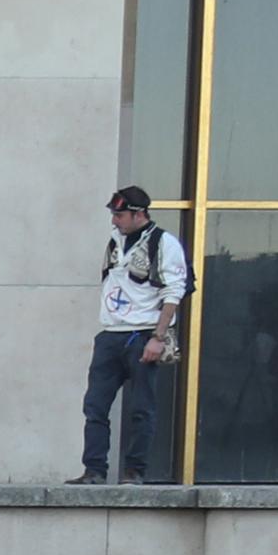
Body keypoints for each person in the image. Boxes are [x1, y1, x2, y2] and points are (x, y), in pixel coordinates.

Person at [78, 188, 188, 486]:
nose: (115, 221)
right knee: (95, 406)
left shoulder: (163, 243)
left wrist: (159, 336)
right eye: (114, 214)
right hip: (111, 333)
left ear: (139, 213)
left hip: (142, 333)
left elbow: (174, 291)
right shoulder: (116, 241)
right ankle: (94, 470)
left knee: (142, 408)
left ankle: (134, 471)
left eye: (120, 215)